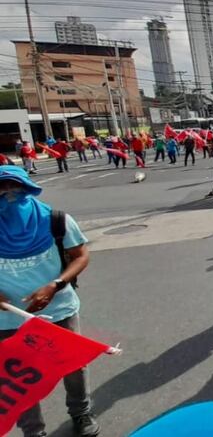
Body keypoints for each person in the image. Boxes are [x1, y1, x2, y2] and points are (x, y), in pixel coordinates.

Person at [0, 166, 101, 437]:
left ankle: (81, 413)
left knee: (73, 366)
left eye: (16, 188)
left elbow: (80, 255)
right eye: (1, 189)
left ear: (28, 189)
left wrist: (55, 286)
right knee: (17, 379)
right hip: (7, 319)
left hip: (59, 309)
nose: (9, 195)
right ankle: (33, 432)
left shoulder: (56, 220)